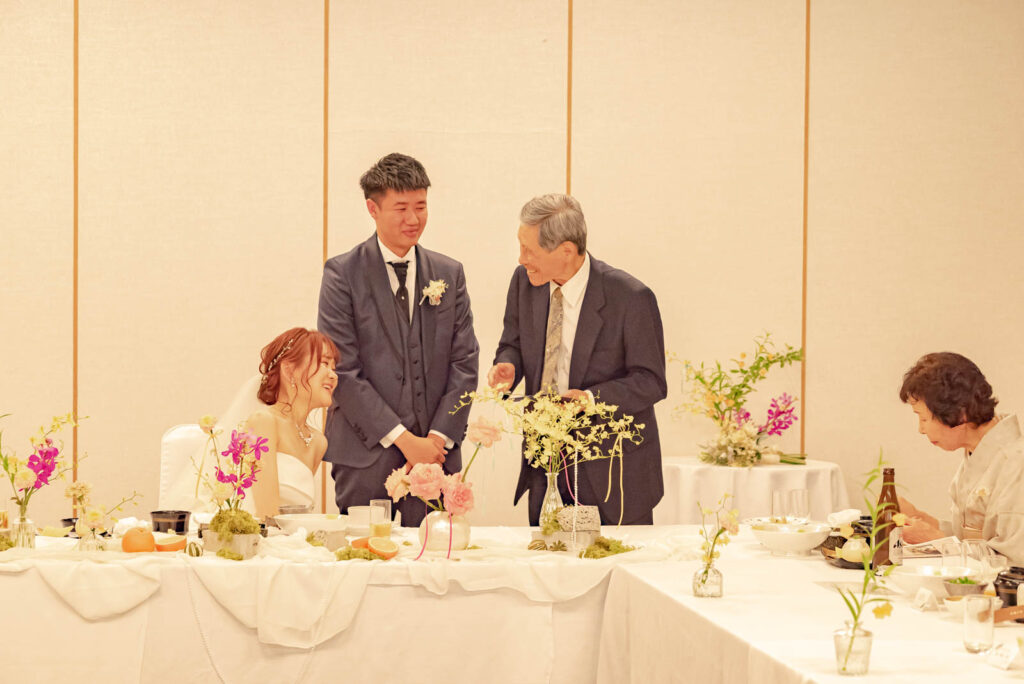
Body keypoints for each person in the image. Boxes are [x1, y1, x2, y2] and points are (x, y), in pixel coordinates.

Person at [318, 153, 479, 527]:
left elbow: (465, 363)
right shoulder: (342, 274)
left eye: (421, 207)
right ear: (372, 209)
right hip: (366, 457)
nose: (413, 219)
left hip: (438, 459)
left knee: (438, 554)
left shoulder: (449, 273)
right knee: (366, 555)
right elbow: (343, 371)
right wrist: (406, 441)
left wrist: (435, 441)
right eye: (401, 208)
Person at [488, 193, 667, 525]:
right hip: (545, 464)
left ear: (567, 251)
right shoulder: (525, 282)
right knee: (547, 556)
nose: (521, 259)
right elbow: (512, 342)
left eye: (529, 250)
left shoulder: (630, 297)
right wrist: (509, 365)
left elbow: (651, 381)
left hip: (613, 472)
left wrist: (590, 399)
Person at [898, 351, 1024, 560]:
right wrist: (919, 518)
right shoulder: (976, 453)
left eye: (923, 418)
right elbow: (970, 538)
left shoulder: (1017, 463)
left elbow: (1014, 560)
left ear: (959, 414)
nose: (920, 430)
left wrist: (937, 540)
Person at [244, 327, 339, 519]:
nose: (333, 375)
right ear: (289, 370)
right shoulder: (263, 423)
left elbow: (301, 514)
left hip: (291, 534)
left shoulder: (318, 442)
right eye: (324, 363)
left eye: (334, 368)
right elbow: (266, 515)